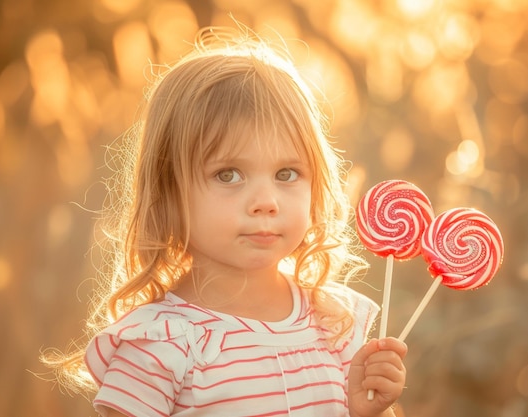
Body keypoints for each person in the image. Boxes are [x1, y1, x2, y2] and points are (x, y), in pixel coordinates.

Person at [43, 25, 407, 417]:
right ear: (169, 194)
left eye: (287, 174)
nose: (266, 202)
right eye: (228, 175)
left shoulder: (334, 322)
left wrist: (366, 411)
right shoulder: (159, 343)